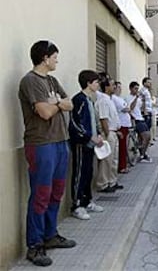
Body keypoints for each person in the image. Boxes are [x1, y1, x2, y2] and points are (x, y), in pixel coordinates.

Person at [18, 40, 76, 267]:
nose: (57, 60)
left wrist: (58, 102)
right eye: (55, 57)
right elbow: (43, 112)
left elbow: (69, 103)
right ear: (45, 58)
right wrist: (57, 104)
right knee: (41, 194)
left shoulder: (52, 80)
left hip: (61, 142)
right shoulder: (30, 81)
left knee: (56, 192)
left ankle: (50, 235)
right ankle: (34, 246)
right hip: (41, 144)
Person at [69, 70, 105, 220]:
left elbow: (92, 120)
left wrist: (98, 134)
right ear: (88, 83)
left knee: (88, 172)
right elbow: (75, 124)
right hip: (80, 143)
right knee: (79, 173)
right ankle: (77, 205)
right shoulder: (78, 100)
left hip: (91, 144)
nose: (98, 85)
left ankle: (87, 200)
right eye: (96, 82)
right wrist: (90, 136)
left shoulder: (90, 100)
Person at [95, 74, 123, 192]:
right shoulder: (103, 101)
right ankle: (103, 184)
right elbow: (103, 119)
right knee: (107, 160)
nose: (115, 87)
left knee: (113, 159)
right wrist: (107, 134)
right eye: (112, 85)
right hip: (108, 133)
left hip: (113, 132)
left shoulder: (109, 100)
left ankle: (112, 181)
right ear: (106, 87)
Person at [126, 81, 152, 163]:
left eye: (137, 89)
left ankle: (143, 153)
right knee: (147, 136)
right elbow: (131, 108)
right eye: (135, 89)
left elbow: (140, 108)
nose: (137, 90)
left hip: (141, 118)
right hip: (135, 120)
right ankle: (142, 154)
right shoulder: (128, 98)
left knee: (143, 138)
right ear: (130, 88)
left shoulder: (139, 98)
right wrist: (136, 98)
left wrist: (143, 102)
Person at [112, 81, 131, 173]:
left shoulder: (120, 98)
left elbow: (127, 107)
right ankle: (121, 166)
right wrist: (127, 108)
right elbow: (125, 108)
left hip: (125, 124)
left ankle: (123, 164)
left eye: (120, 87)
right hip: (121, 124)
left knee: (124, 146)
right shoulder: (114, 98)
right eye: (118, 87)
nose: (120, 89)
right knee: (122, 147)